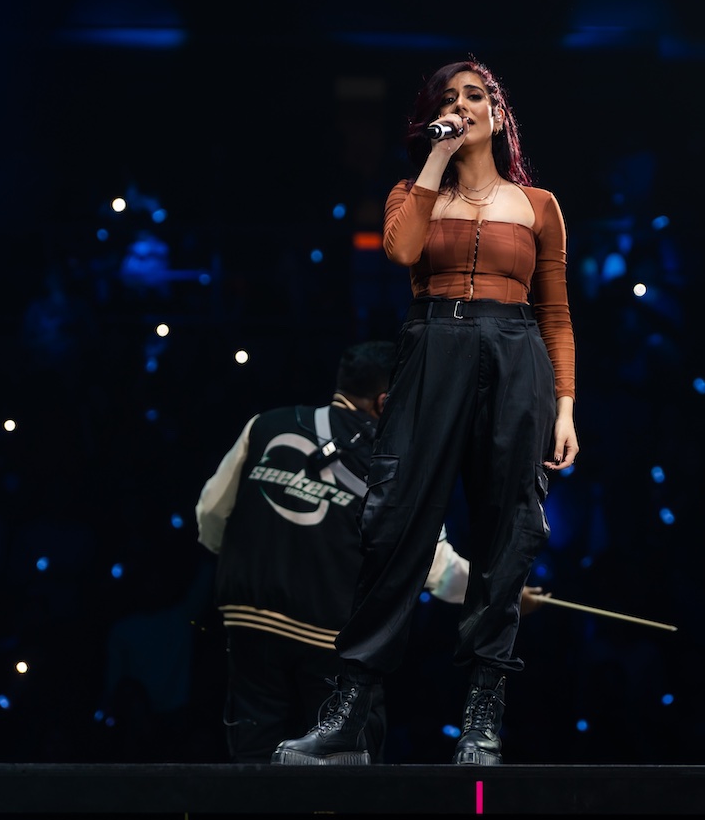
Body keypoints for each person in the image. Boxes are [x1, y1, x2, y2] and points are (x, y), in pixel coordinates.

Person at [275, 59, 578, 767]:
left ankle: (481, 718)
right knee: (393, 524)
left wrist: (565, 406)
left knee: (507, 534)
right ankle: (349, 709)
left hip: (516, 354)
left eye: (475, 96)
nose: (462, 105)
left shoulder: (539, 205)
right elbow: (402, 250)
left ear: (498, 113)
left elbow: (557, 313)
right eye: (449, 98)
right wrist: (438, 155)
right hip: (432, 346)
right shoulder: (412, 193)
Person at [197, 340, 543, 763]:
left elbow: (210, 513)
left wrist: (252, 563)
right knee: (346, 770)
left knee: (253, 762)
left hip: (248, 622)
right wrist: (504, 595)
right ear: (385, 401)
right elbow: (433, 567)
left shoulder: (265, 424)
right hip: (333, 640)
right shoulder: (396, 463)